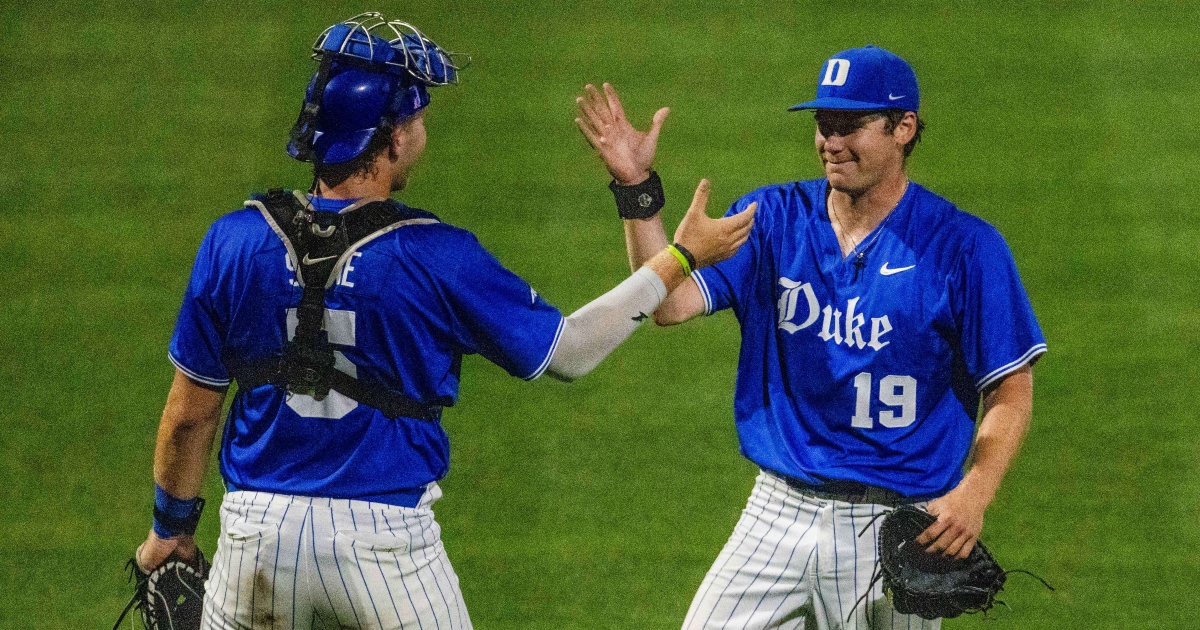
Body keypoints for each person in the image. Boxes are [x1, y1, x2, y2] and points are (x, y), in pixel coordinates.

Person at [130, 12, 754, 629]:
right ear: (393, 137)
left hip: (254, 543)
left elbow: (190, 415)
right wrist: (680, 258)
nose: (423, 129)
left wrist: (171, 532)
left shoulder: (232, 242)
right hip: (383, 551)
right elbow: (569, 351)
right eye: (419, 117)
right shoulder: (436, 254)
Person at [576, 45, 1045, 629]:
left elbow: (1010, 391)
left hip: (896, 526)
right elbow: (668, 302)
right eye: (824, 125)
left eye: (850, 126)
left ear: (904, 128)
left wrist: (976, 492)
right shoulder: (771, 217)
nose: (831, 141)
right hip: (775, 514)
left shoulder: (966, 248)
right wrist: (637, 190)